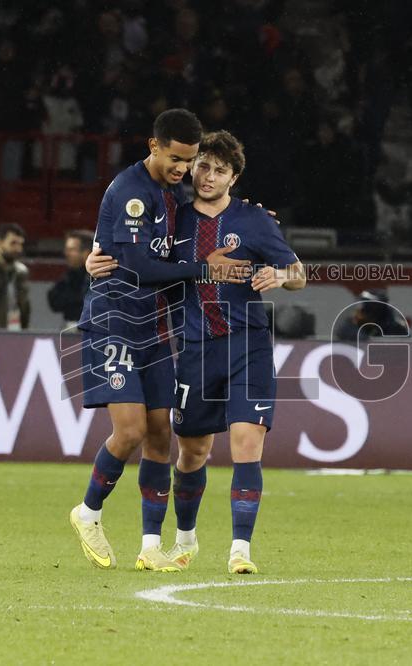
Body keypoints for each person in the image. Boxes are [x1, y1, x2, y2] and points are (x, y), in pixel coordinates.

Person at [86, 130, 306, 574]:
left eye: (219, 170)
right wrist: (94, 258)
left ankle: (240, 550)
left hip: (248, 345)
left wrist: (283, 277)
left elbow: (298, 272)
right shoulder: (174, 220)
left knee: (247, 442)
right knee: (192, 452)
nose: (207, 176)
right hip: (195, 350)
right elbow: (137, 257)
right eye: (202, 165)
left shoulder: (255, 220)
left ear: (234, 178)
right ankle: (185, 538)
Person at [68, 109, 250, 572]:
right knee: (130, 431)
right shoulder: (132, 193)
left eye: (189, 161)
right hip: (114, 321)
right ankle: (88, 512)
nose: (183, 169)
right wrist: (205, 269)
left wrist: (248, 218)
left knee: (159, 434)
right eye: (175, 159)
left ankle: (150, 545)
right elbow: (140, 267)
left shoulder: (171, 194)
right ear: (154, 146)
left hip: (153, 327)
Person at [46, 230, 92, 327]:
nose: (66, 253)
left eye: (72, 250)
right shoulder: (69, 276)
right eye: (66, 249)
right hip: (70, 328)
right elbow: (54, 302)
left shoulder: (99, 277)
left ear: (86, 253)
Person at [333, 288, 409, 341]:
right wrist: (363, 339)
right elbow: (342, 332)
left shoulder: (395, 327)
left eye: (365, 307)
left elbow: (407, 348)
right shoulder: (352, 325)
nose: (359, 311)